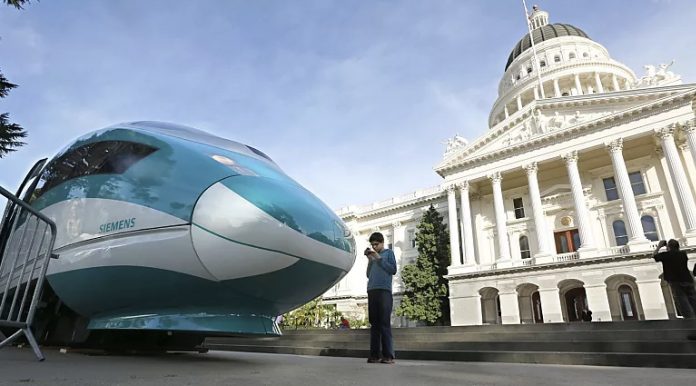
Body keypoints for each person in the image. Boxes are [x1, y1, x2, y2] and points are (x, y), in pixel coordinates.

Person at [364, 232, 397, 364]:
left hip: (384, 290)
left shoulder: (388, 253)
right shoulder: (373, 256)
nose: (374, 247)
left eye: (376, 244)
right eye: (372, 245)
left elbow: (393, 269)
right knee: (374, 324)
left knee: (384, 323)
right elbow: (368, 274)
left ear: (382, 242)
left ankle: (388, 355)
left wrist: (379, 258)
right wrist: (370, 260)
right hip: (372, 290)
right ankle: (374, 355)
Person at [653, 239, 696, 318]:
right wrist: (669, 246)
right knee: (693, 299)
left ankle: (690, 320)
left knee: (682, 301)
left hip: (675, 281)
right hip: (687, 279)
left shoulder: (665, 255)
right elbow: (675, 251)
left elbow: (654, 256)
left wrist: (659, 246)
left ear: (669, 247)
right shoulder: (683, 254)